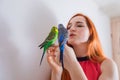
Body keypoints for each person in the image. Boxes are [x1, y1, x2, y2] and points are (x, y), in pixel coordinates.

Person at [46, 13, 119, 80]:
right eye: (68, 27)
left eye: (79, 25)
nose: (71, 29)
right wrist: (56, 71)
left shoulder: (108, 65)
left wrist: (72, 63)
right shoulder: (60, 65)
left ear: (91, 33)